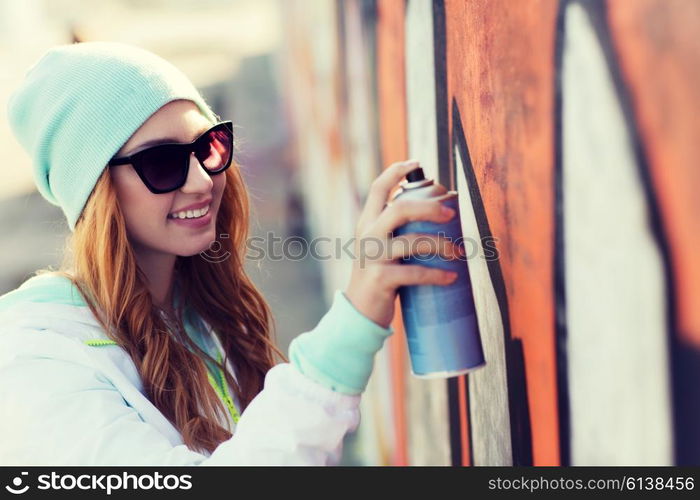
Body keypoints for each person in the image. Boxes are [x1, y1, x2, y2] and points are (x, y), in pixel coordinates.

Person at [0, 42, 461, 465]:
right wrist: (354, 323)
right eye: (161, 162)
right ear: (95, 192)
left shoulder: (193, 314)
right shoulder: (36, 359)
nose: (202, 180)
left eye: (209, 146)